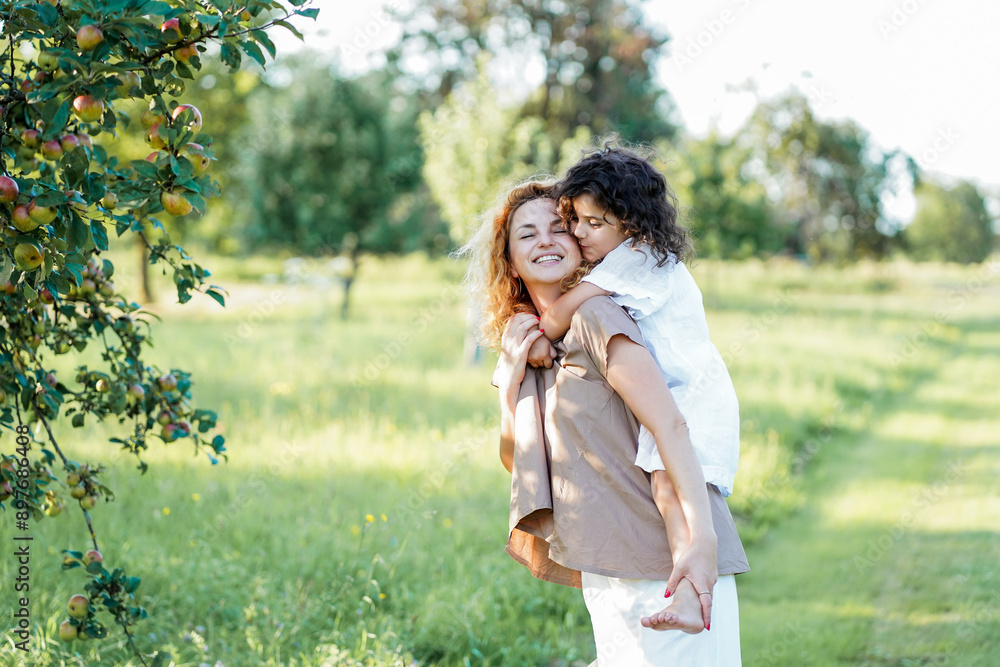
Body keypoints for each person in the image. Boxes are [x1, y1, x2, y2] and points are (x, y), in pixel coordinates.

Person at [464, 180, 749, 665]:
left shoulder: (596, 314)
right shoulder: (528, 341)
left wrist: (699, 543)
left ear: (581, 240)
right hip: (606, 564)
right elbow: (519, 464)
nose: (547, 240)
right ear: (510, 258)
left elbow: (671, 426)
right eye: (527, 234)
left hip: (666, 560)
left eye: (559, 227)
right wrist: (509, 383)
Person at [525, 147, 742, 631]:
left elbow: (561, 314)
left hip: (692, 394)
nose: (578, 233)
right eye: (575, 220)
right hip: (682, 388)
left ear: (632, 225)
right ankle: (687, 596)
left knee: (674, 492)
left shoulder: (635, 258)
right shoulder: (636, 257)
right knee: (667, 494)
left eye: (593, 223)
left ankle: (692, 587)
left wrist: (535, 336)